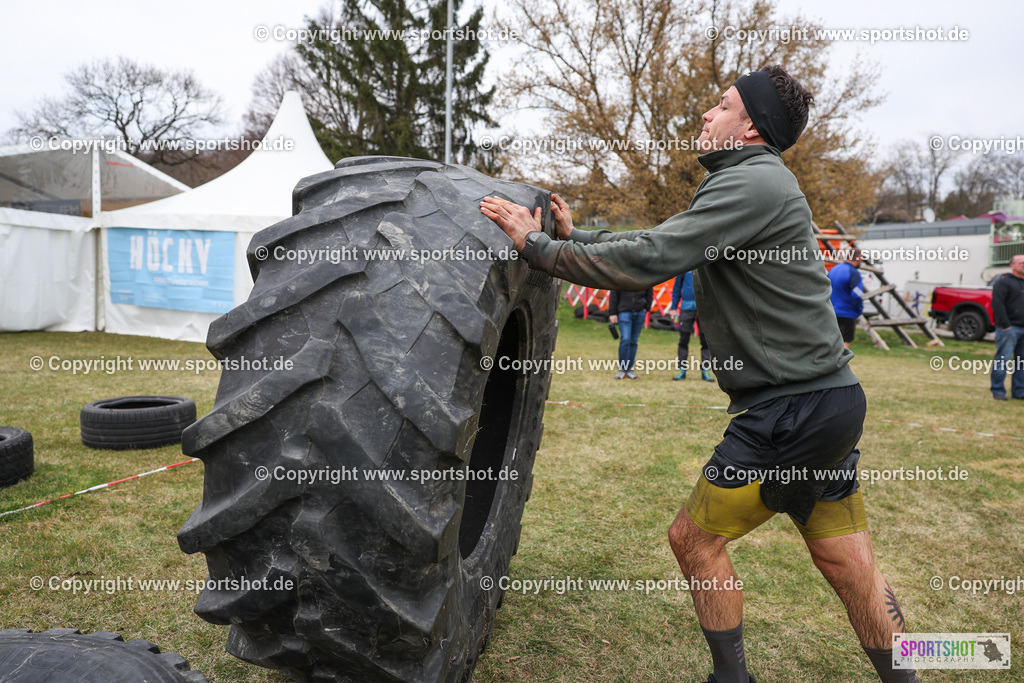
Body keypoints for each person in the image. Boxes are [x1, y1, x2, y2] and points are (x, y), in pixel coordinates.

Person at [481, 65, 916, 683]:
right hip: (830, 403)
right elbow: (664, 240)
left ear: (751, 127)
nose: (706, 116)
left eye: (721, 104)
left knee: (694, 541)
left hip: (789, 409)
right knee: (851, 566)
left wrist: (540, 247)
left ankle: (730, 679)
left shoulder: (755, 182)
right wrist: (584, 236)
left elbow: (654, 258)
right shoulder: (752, 183)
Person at [991, 254, 1024, 401]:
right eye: (1021, 262)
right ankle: (998, 390)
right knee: (1002, 360)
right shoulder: (1003, 283)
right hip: (1009, 329)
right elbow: (997, 305)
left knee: (1021, 362)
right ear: (1012, 265)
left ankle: (1019, 391)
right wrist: (1006, 326)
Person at [671, 271, 714, 381]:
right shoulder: (685, 268)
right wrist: (674, 307)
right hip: (686, 308)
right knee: (683, 340)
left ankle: (706, 370)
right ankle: (682, 369)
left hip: (703, 309)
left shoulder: (706, 267)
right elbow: (677, 287)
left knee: (706, 341)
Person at [609, 288, 653, 380]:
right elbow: (614, 292)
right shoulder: (620, 275)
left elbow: (649, 290)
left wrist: (647, 307)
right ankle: (622, 369)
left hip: (640, 311)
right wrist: (613, 312)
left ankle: (629, 369)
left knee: (633, 342)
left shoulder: (645, 275)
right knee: (625, 339)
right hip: (624, 311)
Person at [828, 249, 865, 349]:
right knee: (846, 340)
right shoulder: (853, 273)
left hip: (831, 311)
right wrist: (859, 308)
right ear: (858, 259)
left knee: (833, 339)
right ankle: (841, 362)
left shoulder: (833, 270)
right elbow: (857, 294)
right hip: (847, 312)